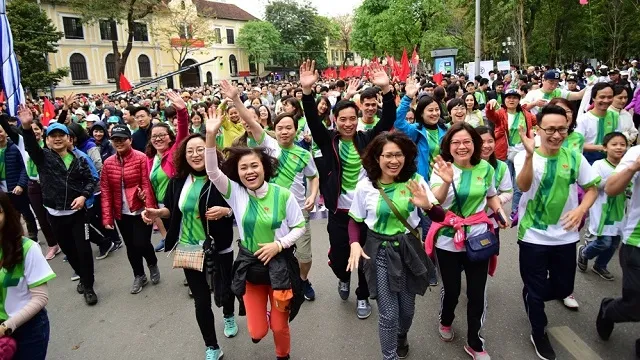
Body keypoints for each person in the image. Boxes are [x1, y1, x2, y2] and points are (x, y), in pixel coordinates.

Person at [205, 108, 305, 360]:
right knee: (257, 330)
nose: (249, 172)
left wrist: (279, 245)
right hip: (250, 266)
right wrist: (210, 136)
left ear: (265, 167)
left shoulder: (283, 195)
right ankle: (266, 317)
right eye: (243, 168)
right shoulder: (236, 194)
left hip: (280, 265)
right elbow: (212, 172)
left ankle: (284, 355)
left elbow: (300, 226)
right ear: (237, 173)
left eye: (254, 166)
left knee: (279, 327)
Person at [301, 59, 396, 318]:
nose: (348, 123)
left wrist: (386, 90)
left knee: (366, 257)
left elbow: (388, 120)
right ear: (335, 120)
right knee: (341, 258)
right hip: (339, 213)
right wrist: (307, 93)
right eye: (343, 119)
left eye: (352, 118)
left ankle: (363, 295)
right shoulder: (327, 140)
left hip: (366, 213)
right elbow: (311, 118)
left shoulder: (367, 139)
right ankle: (343, 278)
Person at [346, 132, 444, 360]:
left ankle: (402, 335)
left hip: (409, 249)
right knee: (389, 314)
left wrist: (427, 205)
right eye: (388, 155)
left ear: (406, 156)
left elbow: (439, 216)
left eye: (398, 155)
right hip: (378, 250)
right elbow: (354, 220)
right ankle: (389, 355)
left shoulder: (416, 182)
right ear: (377, 158)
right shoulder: (365, 187)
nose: (394, 161)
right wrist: (353, 243)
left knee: (407, 311)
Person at [514, 105, 599, 360]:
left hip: (566, 236)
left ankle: (532, 292)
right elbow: (523, 185)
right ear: (538, 129)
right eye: (550, 129)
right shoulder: (524, 155)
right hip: (532, 236)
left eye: (561, 129)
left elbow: (592, 188)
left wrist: (581, 209)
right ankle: (538, 332)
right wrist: (529, 156)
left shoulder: (574, 157)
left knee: (563, 288)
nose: (556, 134)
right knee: (537, 292)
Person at [223, 79, 320, 301]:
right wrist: (236, 99)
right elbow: (249, 120)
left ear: (296, 130)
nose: (284, 132)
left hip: (296, 208)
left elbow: (314, 177)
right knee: (273, 251)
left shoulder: (305, 155)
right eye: (280, 128)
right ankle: (276, 286)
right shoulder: (268, 144)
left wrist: (313, 195)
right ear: (274, 131)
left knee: (305, 256)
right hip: (266, 205)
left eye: (289, 128)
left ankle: (303, 280)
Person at [142, 133, 235, 360]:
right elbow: (173, 210)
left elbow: (240, 206)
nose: (195, 155)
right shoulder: (178, 181)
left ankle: (229, 314)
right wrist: (157, 213)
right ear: (183, 155)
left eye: (201, 149)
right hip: (189, 246)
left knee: (224, 288)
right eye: (190, 150)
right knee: (201, 300)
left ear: (211, 152)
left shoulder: (222, 179)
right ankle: (212, 346)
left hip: (218, 245)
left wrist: (226, 211)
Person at [425, 122, 508, 360]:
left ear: (475, 144)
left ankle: (475, 342)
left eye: (467, 142)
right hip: (448, 239)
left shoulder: (486, 169)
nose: (462, 147)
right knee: (451, 290)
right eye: (456, 142)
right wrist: (447, 181)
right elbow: (435, 203)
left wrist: (500, 214)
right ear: (448, 146)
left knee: (477, 292)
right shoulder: (441, 168)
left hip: (478, 237)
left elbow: (491, 196)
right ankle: (446, 320)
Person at [19, 106, 99, 306]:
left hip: (78, 213)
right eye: (52, 136)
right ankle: (82, 275)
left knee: (84, 250)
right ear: (47, 140)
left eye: (61, 135)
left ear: (69, 139)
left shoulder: (79, 159)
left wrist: (83, 196)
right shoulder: (43, 158)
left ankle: (88, 286)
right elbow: (29, 145)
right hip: (54, 213)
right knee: (69, 250)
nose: (57, 139)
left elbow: (91, 181)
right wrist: (27, 127)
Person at [101, 124, 160, 294]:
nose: (118, 143)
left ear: (130, 140)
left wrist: (149, 209)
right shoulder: (108, 163)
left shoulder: (140, 158)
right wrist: (107, 218)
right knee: (130, 246)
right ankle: (139, 275)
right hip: (122, 213)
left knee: (141, 242)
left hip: (140, 209)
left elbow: (146, 185)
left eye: (122, 139)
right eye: (115, 140)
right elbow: (105, 191)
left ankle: (152, 263)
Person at [0, 192, 56, 360]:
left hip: (28, 330)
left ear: (7, 214)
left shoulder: (27, 249)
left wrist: (6, 327)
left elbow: (40, 298)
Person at [598, 134, 640, 351]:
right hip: (637, 241)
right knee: (635, 306)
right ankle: (609, 309)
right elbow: (611, 188)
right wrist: (634, 167)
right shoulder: (635, 153)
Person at [577, 132, 627, 280]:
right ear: (605, 148)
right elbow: (596, 184)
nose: (619, 147)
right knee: (604, 242)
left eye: (622, 145)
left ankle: (600, 265)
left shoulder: (628, 166)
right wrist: (616, 178)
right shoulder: (599, 165)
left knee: (614, 242)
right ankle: (585, 252)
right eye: (614, 144)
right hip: (602, 208)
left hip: (619, 210)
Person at [146, 91, 189, 252]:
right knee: (175, 243)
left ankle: (197, 271)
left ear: (170, 137)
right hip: (162, 207)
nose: (157, 139)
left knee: (186, 238)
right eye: (154, 136)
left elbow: (183, 131)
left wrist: (182, 110)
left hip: (179, 203)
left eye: (161, 135)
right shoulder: (149, 159)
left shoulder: (175, 151)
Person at [485, 88, 536, 218]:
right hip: (503, 152)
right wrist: (490, 105)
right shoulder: (500, 113)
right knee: (500, 183)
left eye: (514, 98)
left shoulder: (527, 115)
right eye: (508, 97)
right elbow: (491, 115)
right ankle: (495, 209)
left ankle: (515, 212)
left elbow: (538, 122)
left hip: (522, 153)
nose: (511, 100)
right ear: (504, 100)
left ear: (519, 100)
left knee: (519, 185)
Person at [19, 120, 59, 258]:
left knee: (55, 215)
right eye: (32, 129)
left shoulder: (48, 145)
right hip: (33, 185)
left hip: (49, 184)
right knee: (42, 218)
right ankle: (52, 244)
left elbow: (58, 126)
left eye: (37, 128)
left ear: (42, 131)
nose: (34, 131)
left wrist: (65, 110)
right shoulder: (25, 146)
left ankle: (64, 241)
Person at [0, 125, 37, 242]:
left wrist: (21, 184)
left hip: (17, 188)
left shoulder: (15, 147)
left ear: (5, 132)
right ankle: (17, 237)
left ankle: (33, 236)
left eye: (0, 131)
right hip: (3, 191)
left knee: (26, 213)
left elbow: (24, 167)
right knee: (9, 216)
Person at [476, 126, 513, 241]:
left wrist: (495, 201)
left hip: (492, 221)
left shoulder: (501, 167)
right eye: (481, 142)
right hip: (471, 223)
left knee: (489, 254)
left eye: (490, 141)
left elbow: (508, 192)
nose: (486, 146)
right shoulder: (466, 166)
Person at [576, 82, 625, 164]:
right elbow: (577, 144)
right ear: (593, 98)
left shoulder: (615, 116)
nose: (606, 100)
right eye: (602, 97)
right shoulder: (583, 119)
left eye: (610, 97)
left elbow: (618, 137)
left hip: (611, 159)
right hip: (588, 160)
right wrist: (601, 147)